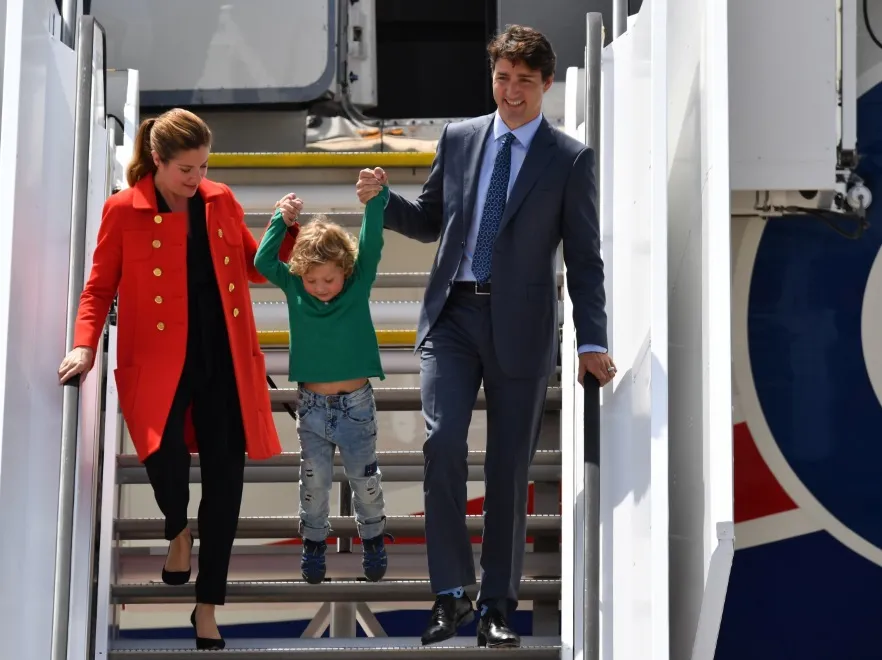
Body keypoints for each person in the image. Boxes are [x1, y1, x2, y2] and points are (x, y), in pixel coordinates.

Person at [355, 26, 617, 648]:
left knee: (508, 468)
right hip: (454, 316)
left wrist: (591, 340)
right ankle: (450, 594)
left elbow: (584, 258)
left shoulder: (570, 158)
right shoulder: (461, 137)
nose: (512, 91)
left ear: (546, 84)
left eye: (525, 80)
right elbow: (428, 220)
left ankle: (498, 602)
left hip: (522, 324)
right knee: (442, 443)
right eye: (503, 78)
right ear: (492, 77)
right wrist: (382, 201)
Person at [57, 108, 297, 650]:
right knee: (162, 457)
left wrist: (285, 229)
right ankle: (176, 529)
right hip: (158, 361)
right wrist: (83, 343)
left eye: (203, 166)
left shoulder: (219, 199)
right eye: (187, 169)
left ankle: (207, 607)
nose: (197, 178)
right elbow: (99, 288)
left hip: (224, 357)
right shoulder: (122, 210)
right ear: (158, 162)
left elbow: (255, 266)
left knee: (226, 484)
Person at [253, 176, 392, 585]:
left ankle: (373, 538)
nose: (320, 288)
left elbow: (372, 242)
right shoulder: (296, 287)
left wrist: (376, 201)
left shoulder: (357, 282)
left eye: (328, 280)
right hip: (312, 408)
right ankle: (314, 544)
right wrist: (280, 217)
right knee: (313, 483)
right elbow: (263, 262)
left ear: (345, 272)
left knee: (365, 482)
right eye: (312, 281)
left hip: (356, 405)